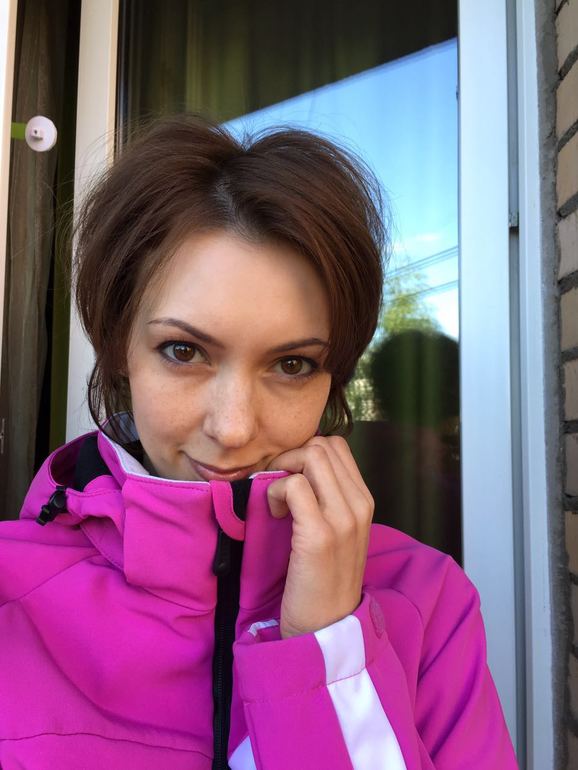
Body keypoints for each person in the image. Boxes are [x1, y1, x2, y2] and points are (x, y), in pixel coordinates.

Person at [0, 115, 518, 769]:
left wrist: (330, 652)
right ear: (118, 349)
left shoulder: (428, 602)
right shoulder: (12, 599)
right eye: (183, 351)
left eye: (292, 364)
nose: (234, 427)